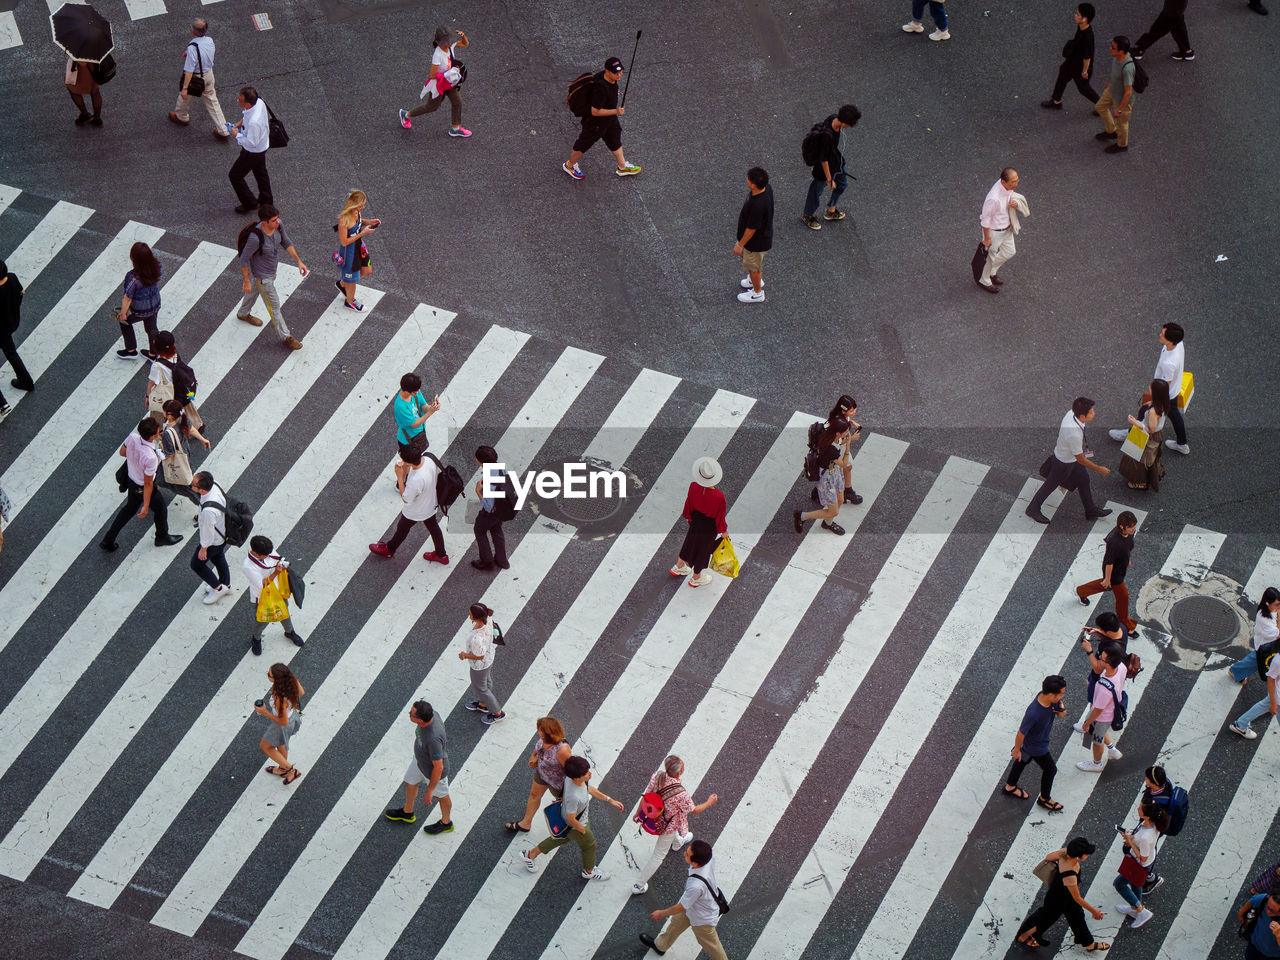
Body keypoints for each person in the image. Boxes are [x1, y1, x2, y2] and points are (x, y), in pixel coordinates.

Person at [519, 755, 624, 880]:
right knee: (590, 845)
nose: (589, 773)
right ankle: (589, 871)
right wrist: (582, 830)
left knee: (560, 838)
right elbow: (571, 819)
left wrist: (609, 800)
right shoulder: (574, 797)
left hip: (572, 822)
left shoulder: (571, 779)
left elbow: (588, 788)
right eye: (585, 773)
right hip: (576, 825)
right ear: (576, 777)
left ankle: (530, 855)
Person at [631, 756, 719, 895]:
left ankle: (678, 843)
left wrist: (638, 813)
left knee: (672, 837)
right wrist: (709, 802)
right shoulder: (681, 794)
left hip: (653, 817)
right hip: (668, 824)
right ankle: (639, 885)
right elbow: (694, 810)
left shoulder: (657, 776)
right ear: (678, 773)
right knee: (658, 856)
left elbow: (646, 795)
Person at [100, 418, 183, 552]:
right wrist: (145, 505)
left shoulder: (133, 438)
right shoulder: (150, 458)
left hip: (131, 480)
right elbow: (148, 483)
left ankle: (108, 540)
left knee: (127, 511)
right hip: (141, 486)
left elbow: (122, 453)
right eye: (158, 432)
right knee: (160, 508)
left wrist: (136, 457)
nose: (159, 433)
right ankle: (161, 537)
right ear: (152, 436)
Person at [1025, 397, 1113, 524]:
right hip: (1064, 463)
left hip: (1068, 458)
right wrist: (1099, 469)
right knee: (1050, 485)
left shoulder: (1071, 414)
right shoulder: (1074, 434)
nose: (1094, 413)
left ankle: (1090, 509)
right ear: (1082, 416)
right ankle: (1033, 508)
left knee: (1084, 479)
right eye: (1091, 412)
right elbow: (1081, 459)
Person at [639, 840, 729, 960]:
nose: (684, 854)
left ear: (696, 863)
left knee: (712, 945)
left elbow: (681, 907)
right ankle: (660, 946)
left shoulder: (696, 885)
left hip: (702, 918)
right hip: (694, 906)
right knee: (676, 923)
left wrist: (661, 913)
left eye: (687, 854)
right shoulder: (708, 859)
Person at [1015, 837, 1108, 951]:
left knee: (1076, 917)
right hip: (1061, 899)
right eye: (1086, 854)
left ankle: (1088, 943)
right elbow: (1077, 897)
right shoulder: (1069, 874)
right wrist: (1094, 911)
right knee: (1047, 919)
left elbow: (1049, 857)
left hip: (1056, 893)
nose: (1088, 855)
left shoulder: (1064, 854)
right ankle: (1024, 935)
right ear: (1079, 856)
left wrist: (1066, 851)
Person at [235, 204, 307, 351]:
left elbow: (286, 242)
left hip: (269, 273)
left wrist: (299, 261)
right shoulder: (255, 238)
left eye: (277, 219)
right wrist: (246, 280)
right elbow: (243, 259)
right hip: (263, 278)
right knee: (274, 306)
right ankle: (286, 337)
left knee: (254, 291)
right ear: (264, 222)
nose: (277, 222)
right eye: (273, 220)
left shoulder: (278, 226)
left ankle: (243, 314)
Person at [562, 56, 641, 180]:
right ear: (607, 71)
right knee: (583, 144)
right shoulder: (601, 89)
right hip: (596, 123)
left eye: (621, 72)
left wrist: (613, 114)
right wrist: (616, 111)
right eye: (616, 73)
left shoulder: (610, 79)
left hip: (609, 120)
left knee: (615, 138)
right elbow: (595, 111)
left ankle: (622, 167)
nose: (619, 75)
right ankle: (570, 165)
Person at [386, 700, 454, 834]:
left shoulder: (433, 739)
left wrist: (430, 790)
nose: (409, 714)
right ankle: (407, 812)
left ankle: (446, 822)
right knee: (410, 782)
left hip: (432, 771)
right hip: (419, 761)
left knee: (442, 796)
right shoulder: (433, 714)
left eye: (411, 714)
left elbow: (438, 767)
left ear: (421, 720)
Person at [369, 450, 448, 564]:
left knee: (402, 528)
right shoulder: (429, 459)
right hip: (431, 503)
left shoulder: (416, 480)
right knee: (433, 527)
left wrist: (400, 477)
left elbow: (406, 498)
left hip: (416, 510)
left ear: (409, 463)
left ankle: (389, 549)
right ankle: (441, 555)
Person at [1003, 675, 1067, 813]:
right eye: (1061, 693)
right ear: (1051, 694)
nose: (1062, 696)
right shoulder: (1034, 713)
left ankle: (1010, 786)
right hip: (1037, 746)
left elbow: (1062, 715)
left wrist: (1061, 709)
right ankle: (1044, 799)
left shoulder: (1050, 700)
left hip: (1034, 742)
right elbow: (1021, 732)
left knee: (1022, 761)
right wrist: (1016, 749)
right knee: (1050, 770)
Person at [398, 26, 472, 137]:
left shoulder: (450, 48)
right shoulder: (437, 55)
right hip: (439, 84)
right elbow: (432, 75)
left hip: (449, 83)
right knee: (431, 107)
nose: (449, 44)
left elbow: (465, 43)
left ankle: (455, 128)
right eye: (446, 42)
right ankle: (406, 115)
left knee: (457, 102)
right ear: (440, 42)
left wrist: (463, 36)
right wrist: (447, 75)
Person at [506, 717, 572, 833]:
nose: (538, 732)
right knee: (534, 795)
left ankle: (568, 826)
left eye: (540, 730)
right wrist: (532, 758)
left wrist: (570, 789)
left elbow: (570, 770)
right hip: (542, 774)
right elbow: (536, 751)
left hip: (558, 783)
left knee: (564, 806)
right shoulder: (543, 740)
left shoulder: (562, 750)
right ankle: (526, 823)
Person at [242, 534, 305, 656]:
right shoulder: (248, 566)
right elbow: (263, 584)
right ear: (256, 554)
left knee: (284, 611)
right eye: (266, 555)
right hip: (261, 597)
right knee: (261, 620)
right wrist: (276, 572)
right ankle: (256, 638)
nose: (270, 555)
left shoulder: (268, 551)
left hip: (277, 591)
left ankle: (289, 631)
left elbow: (277, 558)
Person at [1076, 512, 1139, 632]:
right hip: (1114, 571)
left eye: (1134, 526)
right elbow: (1109, 562)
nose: (1133, 529)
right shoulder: (1114, 542)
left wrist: (1128, 560)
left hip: (1121, 566)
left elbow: (1127, 547)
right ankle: (1127, 625)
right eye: (1131, 527)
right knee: (1123, 597)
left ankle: (1081, 591)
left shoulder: (1129, 534)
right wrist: (1108, 578)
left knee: (1105, 586)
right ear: (1122, 526)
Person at [800, 103, 860, 230]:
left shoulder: (834, 118)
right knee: (817, 189)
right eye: (850, 124)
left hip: (835, 160)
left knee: (843, 184)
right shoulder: (827, 137)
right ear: (844, 122)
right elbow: (823, 160)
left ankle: (831, 210)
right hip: (824, 168)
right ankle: (807, 215)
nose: (850, 126)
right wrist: (829, 179)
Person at [670, 458, 728, 588]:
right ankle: (696, 578)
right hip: (709, 526)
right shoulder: (719, 497)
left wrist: (688, 517)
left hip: (695, 520)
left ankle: (679, 566)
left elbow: (689, 502)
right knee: (703, 550)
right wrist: (723, 531)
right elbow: (720, 516)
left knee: (689, 542)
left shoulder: (693, 486)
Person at [168, 19, 230, 138]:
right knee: (212, 101)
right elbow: (203, 52)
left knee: (185, 96)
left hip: (196, 78)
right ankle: (223, 130)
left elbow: (189, 71)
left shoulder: (192, 48)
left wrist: (185, 88)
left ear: (192, 32)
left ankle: (181, 117)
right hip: (209, 75)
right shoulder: (209, 40)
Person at [1113, 800, 1169, 928]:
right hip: (1143, 860)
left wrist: (1130, 841)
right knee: (1136, 884)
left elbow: (1143, 858)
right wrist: (1131, 837)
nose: (1138, 808)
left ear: (1146, 816)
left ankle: (1141, 910)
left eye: (1140, 809)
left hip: (1139, 864)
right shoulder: (1149, 823)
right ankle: (1134, 908)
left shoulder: (1146, 837)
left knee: (1119, 884)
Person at [794, 418, 853, 536]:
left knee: (840, 500)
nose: (848, 434)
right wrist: (848, 446)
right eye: (846, 432)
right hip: (826, 480)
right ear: (837, 433)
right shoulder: (831, 449)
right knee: (834, 511)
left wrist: (844, 440)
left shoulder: (833, 437)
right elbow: (844, 463)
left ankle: (827, 523)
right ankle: (801, 516)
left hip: (834, 472)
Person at [1074, 612, 1129, 732]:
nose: (1098, 629)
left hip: (1102, 675)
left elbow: (1098, 668)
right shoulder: (1121, 629)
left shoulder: (1109, 648)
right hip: (1112, 671)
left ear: (1108, 632)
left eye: (1101, 629)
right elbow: (1108, 636)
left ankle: (1089, 724)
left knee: (1095, 700)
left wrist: (1089, 651)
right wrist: (1098, 633)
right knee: (1089, 683)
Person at [1077, 645, 1127, 772]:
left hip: (1102, 717)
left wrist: (1087, 722)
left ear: (1109, 664)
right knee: (1101, 732)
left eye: (1103, 659)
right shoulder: (1121, 667)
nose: (1100, 659)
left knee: (1097, 740)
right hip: (1111, 708)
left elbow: (1098, 710)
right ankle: (1112, 749)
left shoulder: (1104, 689)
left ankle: (1096, 763)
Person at [809, 395, 864, 505]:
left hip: (838, 450)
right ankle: (845, 491)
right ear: (843, 411)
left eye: (855, 410)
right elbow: (832, 442)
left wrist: (852, 422)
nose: (854, 412)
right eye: (852, 410)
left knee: (839, 470)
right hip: (836, 451)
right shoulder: (834, 424)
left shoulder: (841, 417)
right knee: (836, 470)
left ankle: (843, 490)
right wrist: (851, 439)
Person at [1042, 4, 1099, 109]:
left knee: (1083, 88)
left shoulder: (1088, 36)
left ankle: (1101, 105)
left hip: (1081, 67)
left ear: (1084, 19)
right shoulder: (1081, 26)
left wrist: (1085, 71)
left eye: (1078, 14)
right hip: (1073, 61)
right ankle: (1056, 101)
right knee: (1063, 72)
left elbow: (1087, 57)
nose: (1075, 15)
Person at [255, 663, 303, 785]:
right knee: (281, 743)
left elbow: (283, 721)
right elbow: (301, 692)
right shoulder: (292, 681)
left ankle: (290, 770)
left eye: (269, 675)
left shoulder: (279, 700)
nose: (267, 675)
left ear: (277, 679)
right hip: (293, 717)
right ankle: (283, 769)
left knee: (265, 746)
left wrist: (265, 712)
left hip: (282, 725)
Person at [1229, 624, 1280, 740]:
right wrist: (1273, 702)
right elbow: (1271, 679)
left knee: (1265, 703)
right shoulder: (1278, 662)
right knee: (1267, 703)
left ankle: (1240, 724)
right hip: (1278, 695)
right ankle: (1240, 724)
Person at [976, 168, 1022, 293]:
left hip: (1007, 228)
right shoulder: (993, 198)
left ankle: (991, 271)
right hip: (995, 232)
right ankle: (984, 280)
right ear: (1003, 182)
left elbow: (1010, 198)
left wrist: (1015, 204)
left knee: (1010, 252)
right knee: (990, 258)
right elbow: (985, 219)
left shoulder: (1007, 187)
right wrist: (986, 238)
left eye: (1017, 180)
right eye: (1013, 182)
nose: (1016, 184)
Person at [115, 242, 163, 360]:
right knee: (152, 328)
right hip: (155, 304)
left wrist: (123, 314)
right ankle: (153, 353)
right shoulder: (157, 267)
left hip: (139, 309)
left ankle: (131, 350)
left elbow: (127, 298)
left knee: (124, 323)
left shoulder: (133, 277)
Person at [459, 602, 506, 724]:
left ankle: (497, 712)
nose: (468, 614)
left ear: (475, 617)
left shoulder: (477, 639)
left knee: (481, 688)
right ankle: (483, 704)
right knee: (486, 681)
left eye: (470, 614)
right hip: (489, 658)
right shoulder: (488, 619)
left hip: (479, 665)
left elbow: (479, 656)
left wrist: (464, 655)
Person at [190, 471, 232, 605]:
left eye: (193, 485)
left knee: (196, 565)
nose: (191, 485)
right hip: (222, 533)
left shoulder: (208, 511)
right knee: (218, 558)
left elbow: (208, 532)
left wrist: (204, 548)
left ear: (201, 490)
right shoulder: (215, 485)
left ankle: (218, 588)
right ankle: (226, 585)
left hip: (213, 541)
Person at [229, 86, 273, 213]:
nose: (238, 101)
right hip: (263, 145)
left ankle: (249, 202)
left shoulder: (254, 123)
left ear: (247, 104)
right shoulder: (259, 102)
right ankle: (267, 200)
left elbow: (251, 142)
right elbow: (247, 117)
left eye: (240, 100)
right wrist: (239, 124)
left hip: (252, 151)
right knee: (261, 173)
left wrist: (236, 134)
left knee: (235, 175)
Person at [334, 190, 380, 312]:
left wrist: (369, 222)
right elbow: (344, 242)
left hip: (359, 246)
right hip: (349, 253)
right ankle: (350, 301)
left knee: (367, 270)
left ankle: (343, 283)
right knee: (353, 280)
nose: (363, 207)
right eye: (361, 205)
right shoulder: (344, 220)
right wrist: (363, 233)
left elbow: (359, 222)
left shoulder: (356, 212)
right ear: (354, 204)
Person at [392, 373, 439, 489]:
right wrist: (430, 412)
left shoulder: (415, 392)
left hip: (419, 435)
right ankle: (401, 483)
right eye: (415, 391)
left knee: (411, 461)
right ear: (407, 391)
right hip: (407, 440)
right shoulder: (401, 406)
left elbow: (424, 406)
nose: (418, 392)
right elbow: (414, 424)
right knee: (406, 464)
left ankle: (405, 479)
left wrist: (431, 407)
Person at [158, 398, 208, 506]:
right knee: (187, 478)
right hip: (184, 453)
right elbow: (191, 429)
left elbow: (170, 453)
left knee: (185, 487)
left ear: (169, 415)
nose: (162, 412)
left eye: (164, 410)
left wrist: (161, 449)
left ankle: (203, 505)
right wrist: (202, 439)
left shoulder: (168, 433)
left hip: (176, 461)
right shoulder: (182, 418)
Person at [734, 167, 773, 303]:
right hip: (761, 238)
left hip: (755, 243)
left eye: (749, 179)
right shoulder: (767, 189)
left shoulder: (758, 205)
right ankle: (753, 280)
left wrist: (740, 245)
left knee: (754, 267)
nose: (747, 179)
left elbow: (751, 229)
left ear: (754, 185)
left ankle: (757, 293)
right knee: (754, 265)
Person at [472, 445, 510, 572]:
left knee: (479, 530)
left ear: (480, 461)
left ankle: (486, 561)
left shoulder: (489, 480)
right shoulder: (500, 466)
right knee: (496, 529)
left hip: (492, 511)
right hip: (503, 507)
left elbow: (488, 506)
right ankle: (502, 560)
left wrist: (478, 491)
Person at [1229, 588, 1280, 684]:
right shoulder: (1264, 618)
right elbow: (1278, 634)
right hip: (1266, 646)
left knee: (1256, 661)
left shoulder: (1271, 610)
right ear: (1267, 603)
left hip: (1269, 644)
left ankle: (1236, 671)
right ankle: (1235, 671)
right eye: (1277, 604)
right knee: (1256, 661)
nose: (1279, 606)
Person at [1095, 37, 1136, 154]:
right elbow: (1114, 72)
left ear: (1121, 51)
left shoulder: (1128, 68)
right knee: (1100, 107)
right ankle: (1111, 131)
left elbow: (1128, 92)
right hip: (1112, 90)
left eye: (1113, 48)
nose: (1110, 49)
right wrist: (1109, 83)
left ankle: (1122, 145)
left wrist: (1119, 109)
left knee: (1122, 124)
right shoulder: (1116, 58)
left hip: (1122, 99)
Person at [0, 260, 34, 394]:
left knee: (11, 354)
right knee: (11, 352)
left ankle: (26, 381)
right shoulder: (12, 278)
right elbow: (22, 292)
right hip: (12, 321)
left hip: (1, 329)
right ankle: (25, 381)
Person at [1139, 765, 1173, 895]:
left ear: (1153, 783)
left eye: (1147, 778)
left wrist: (1143, 804)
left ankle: (1149, 878)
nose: (1145, 780)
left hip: (1152, 827)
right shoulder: (1167, 784)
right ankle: (1148, 876)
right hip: (1160, 824)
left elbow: (1141, 813)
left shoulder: (1152, 800)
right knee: (1151, 846)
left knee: (1147, 849)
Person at [1237, 889, 1280, 959]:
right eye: (1267, 906)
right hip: (1254, 947)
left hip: (1272, 956)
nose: (1267, 911)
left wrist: (1278, 935)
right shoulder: (1264, 899)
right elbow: (1254, 900)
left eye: (1271, 910)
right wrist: (1241, 913)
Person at [65, 56, 103, 127]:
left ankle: (85, 114)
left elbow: (82, 63)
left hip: (82, 67)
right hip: (95, 64)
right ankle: (97, 119)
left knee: (73, 89)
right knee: (95, 91)